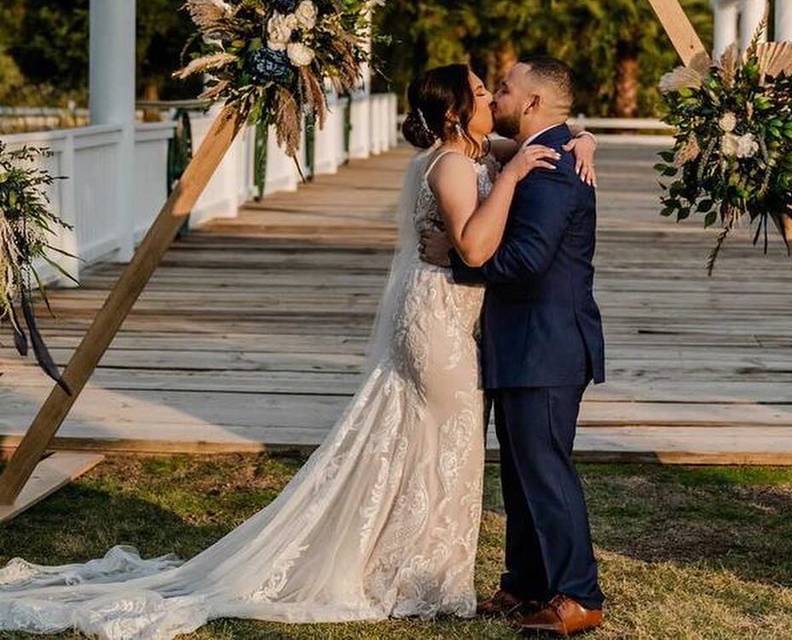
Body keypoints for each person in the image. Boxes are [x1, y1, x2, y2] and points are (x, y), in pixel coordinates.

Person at [0, 63, 597, 640]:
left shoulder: (495, 154)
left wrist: (580, 136)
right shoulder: (463, 164)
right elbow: (474, 248)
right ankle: (428, 574)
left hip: (494, 328)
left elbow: (510, 209)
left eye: (501, 88)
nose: (493, 94)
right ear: (456, 112)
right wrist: (503, 191)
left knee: (454, 450)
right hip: (440, 323)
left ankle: (481, 578)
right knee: (446, 445)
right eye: (482, 90)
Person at [420, 56, 605, 636]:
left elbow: (525, 260)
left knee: (546, 470)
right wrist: (585, 135)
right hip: (520, 343)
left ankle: (578, 595)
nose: (495, 96)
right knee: (523, 473)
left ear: (531, 104)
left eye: (503, 88)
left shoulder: (550, 171)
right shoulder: (542, 154)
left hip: (546, 345)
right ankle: (524, 584)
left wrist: (452, 256)